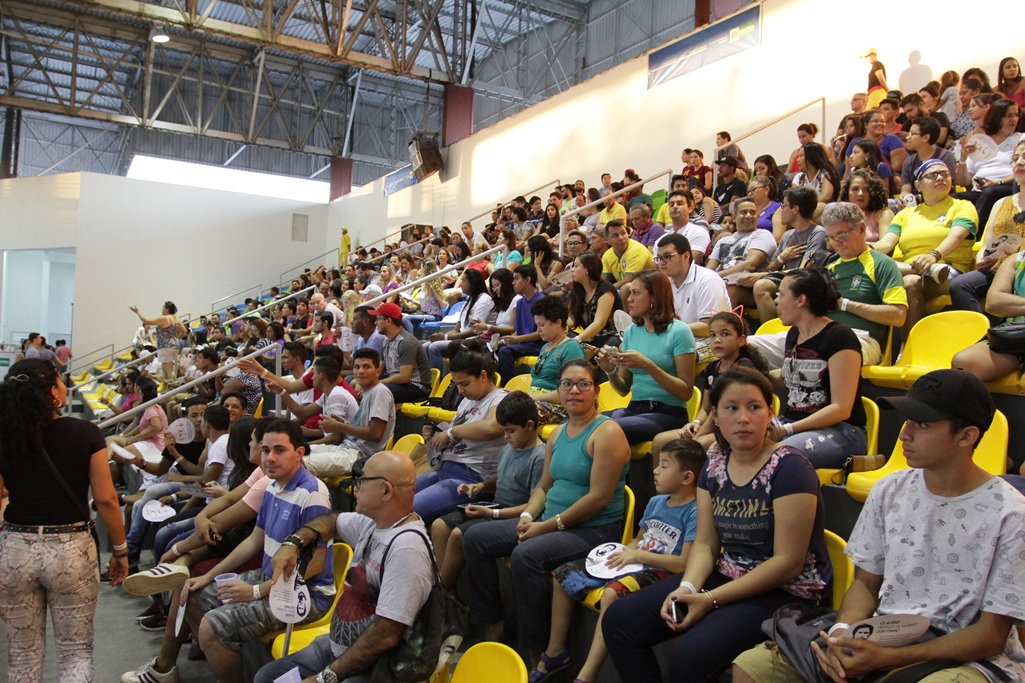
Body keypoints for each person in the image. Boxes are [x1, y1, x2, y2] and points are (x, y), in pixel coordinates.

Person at [733, 369, 1025, 683]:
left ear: (966, 436)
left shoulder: (1010, 514)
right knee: (752, 667)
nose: (904, 435)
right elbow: (865, 584)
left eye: (923, 425)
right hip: (885, 635)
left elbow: (991, 636)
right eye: (907, 420)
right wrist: (841, 636)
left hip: (967, 656)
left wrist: (889, 659)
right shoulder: (890, 489)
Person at [602, 367, 830, 682]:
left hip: (785, 593)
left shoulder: (791, 467)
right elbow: (707, 543)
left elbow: (787, 563)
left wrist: (709, 599)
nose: (743, 418)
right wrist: (687, 588)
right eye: (731, 408)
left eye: (754, 407)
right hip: (726, 575)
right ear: (716, 416)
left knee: (689, 657)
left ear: (770, 413)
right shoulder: (715, 463)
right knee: (619, 621)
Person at [124, 420, 333, 683]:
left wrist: (255, 592)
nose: (269, 457)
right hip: (271, 579)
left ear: (299, 453)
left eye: (279, 450)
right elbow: (254, 541)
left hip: (304, 595)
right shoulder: (273, 486)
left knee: (212, 628)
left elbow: (313, 566)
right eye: (266, 450)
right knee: (190, 593)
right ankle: (182, 668)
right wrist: (208, 576)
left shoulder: (313, 494)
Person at [463, 359, 631, 660]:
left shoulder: (607, 432)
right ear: (558, 390)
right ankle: (492, 624)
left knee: (526, 555)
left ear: (596, 391)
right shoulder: (557, 433)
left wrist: (546, 526)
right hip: (550, 520)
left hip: (594, 529)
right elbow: (543, 488)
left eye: (583, 384)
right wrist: (528, 516)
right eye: (567, 384)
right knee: (475, 538)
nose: (574, 390)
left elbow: (598, 499)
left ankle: (538, 653)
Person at [253, 450, 433, 683]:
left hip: (375, 668)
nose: (355, 487)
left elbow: (385, 636)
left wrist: (324, 678)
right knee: (267, 677)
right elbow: (332, 522)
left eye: (362, 480)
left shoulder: (407, 549)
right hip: (336, 647)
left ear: (386, 491)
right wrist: (293, 543)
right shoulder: (375, 522)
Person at [0, 359, 129, 683]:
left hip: (15, 548)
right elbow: (106, 500)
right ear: (52, 393)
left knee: (22, 656)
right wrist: (120, 550)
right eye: (60, 381)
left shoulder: (5, 436)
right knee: (76, 652)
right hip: (71, 550)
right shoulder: (84, 433)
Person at [537, 439, 704, 683]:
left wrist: (637, 555)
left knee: (611, 594)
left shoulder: (695, 511)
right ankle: (555, 652)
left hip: (662, 573)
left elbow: (683, 564)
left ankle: (587, 674)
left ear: (687, 477)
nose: (655, 470)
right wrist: (620, 555)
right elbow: (637, 540)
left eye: (664, 466)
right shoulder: (656, 502)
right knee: (563, 575)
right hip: (636, 561)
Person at [431, 391, 546, 591]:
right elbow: (504, 479)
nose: (506, 436)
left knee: (459, 535)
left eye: (511, 431)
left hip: (514, 515)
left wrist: (492, 513)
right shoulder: (510, 448)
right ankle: (450, 595)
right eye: (504, 431)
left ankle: (441, 595)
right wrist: (481, 486)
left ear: (529, 426)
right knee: (439, 526)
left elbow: (534, 505)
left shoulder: (540, 457)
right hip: (495, 508)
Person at [772, 269, 868, 469]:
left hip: (840, 431)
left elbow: (840, 409)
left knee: (778, 457)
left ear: (801, 300)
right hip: (793, 424)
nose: (776, 301)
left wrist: (788, 429)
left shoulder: (840, 336)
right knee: (733, 447)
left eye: (781, 294)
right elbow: (789, 376)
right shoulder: (794, 334)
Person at [876, 158, 979, 339]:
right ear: (918, 185)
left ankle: (908, 348)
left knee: (910, 282)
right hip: (912, 269)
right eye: (932, 175)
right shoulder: (905, 214)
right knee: (874, 267)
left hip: (947, 270)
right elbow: (885, 244)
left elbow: (956, 236)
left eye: (945, 174)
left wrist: (934, 255)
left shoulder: (962, 206)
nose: (940, 178)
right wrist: (861, 247)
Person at [596, 270, 696, 443]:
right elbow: (623, 389)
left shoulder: (679, 331)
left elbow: (685, 392)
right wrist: (610, 371)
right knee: (576, 424)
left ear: (655, 297)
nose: (629, 299)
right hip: (634, 408)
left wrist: (647, 365)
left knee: (605, 430)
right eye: (630, 293)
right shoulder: (631, 332)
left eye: (636, 293)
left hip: (668, 412)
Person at [415, 345, 507, 523]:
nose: (460, 390)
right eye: (457, 384)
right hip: (446, 470)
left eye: (465, 384)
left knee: (407, 510)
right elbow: (456, 436)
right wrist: (436, 434)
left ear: (482, 376)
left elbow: (492, 427)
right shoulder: (466, 401)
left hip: (471, 480)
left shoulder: (501, 398)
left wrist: (451, 431)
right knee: (394, 499)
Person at [656, 310, 770, 452]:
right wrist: (695, 423)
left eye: (725, 334)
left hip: (736, 425)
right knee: (660, 441)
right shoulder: (712, 368)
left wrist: (697, 437)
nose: (717, 340)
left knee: (700, 444)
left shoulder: (743, 368)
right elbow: (706, 408)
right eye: (712, 335)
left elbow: (721, 409)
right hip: (715, 424)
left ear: (740, 340)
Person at [950, 139, 1025, 315]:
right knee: (960, 284)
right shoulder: (1001, 203)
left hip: (1022, 268)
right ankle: (980, 329)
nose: (1020, 162)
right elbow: (987, 243)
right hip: (998, 269)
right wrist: (983, 259)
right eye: (1015, 158)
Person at [734, 187, 826, 322]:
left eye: (784, 206)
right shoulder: (788, 235)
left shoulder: (818, 233)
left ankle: (771, 332)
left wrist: (762, 275)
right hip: (786, 279)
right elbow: (771, 268)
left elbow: (803, 271)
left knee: (761, 286)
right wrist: (782, 257)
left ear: (795, 209)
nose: (781, 210)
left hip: (803, 282)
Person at [302, 349, 396, 478]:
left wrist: (340, 426)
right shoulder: (367, 393)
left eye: (367, 367)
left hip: (361, 456)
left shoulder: (380, 392)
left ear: (378, 371)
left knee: (300, 463)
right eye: (357, 367)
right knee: (294, 453)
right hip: (347, 448)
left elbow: (376, 434)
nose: (360, 371)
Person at [954, 99, 1022, 227]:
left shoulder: (1021, 139)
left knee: (990, 193)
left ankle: (975, 234)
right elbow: (964, 182)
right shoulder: (981, 143)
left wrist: (998, 182)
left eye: (1016, 115)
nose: (1013, 119)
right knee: (953, 198)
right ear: (997, 117)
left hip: (1009, 187)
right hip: (980, 190)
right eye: (1008, 116)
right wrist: (963, 158)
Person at [656, 233, 730, 340]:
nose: (662, 263)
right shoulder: (664, 282)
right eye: (659, 258)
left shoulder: (708, 280)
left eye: (667, 257)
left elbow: (709, 327)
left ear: (686, 256)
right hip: (677, 339)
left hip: (708, 342)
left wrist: (669, 329)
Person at [370, 302, 432, 404]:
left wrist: (376, 383)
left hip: (416, 387)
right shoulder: (386, 341)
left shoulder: (406, 342)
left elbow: (404, 377)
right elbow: (379, 370)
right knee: (356, 382)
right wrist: (365, 380)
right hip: (398, 383)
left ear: (389, 321)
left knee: (378, 391)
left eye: (378, 319)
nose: (375, 323)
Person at [706, 197, 777, 288]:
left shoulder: (763, 235)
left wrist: (714, 277)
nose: (748, 216)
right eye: (744, 212)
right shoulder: (722, 241)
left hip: (744, 285)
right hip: (719, 283)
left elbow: (751, 265)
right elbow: (710, 268)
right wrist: (708, 278)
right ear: (734, 217)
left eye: (752, 212)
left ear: (757, 216)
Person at [496, 266, 545, 381]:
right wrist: (502, 341)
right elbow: (518, 331)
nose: (513, 283)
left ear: (527, 280)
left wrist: (517, 339)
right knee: (492, 348)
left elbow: (542, 333)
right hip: (523, 344)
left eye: (516, 278)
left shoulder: (541, 301)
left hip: (537, 345)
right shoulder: (520, 302)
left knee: (505, 351)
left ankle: (509, 385)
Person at [567, 251, 624, 349]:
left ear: (588, 269)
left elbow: (599, 323)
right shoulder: (578, 289)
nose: (572, 270)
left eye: (576, 266)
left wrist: (577, 340)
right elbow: (572, 319)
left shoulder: (605, 289)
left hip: (609, 336)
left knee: (605, 346)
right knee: (561, 337)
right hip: (589, 337)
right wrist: (560, 330)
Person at [130, 301, 188, 382]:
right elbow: (184, 332)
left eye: (163, 307)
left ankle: (173, 386)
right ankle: (165, 387)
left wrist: (137, 312)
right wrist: (176, 339)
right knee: (164, 368)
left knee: (169, 370)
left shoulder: (164, 318)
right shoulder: (176, 319)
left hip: (165, 346)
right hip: (174, 346)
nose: (162, 309)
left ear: (167, 309)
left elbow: (146, 321)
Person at [839, 168, 894, 244]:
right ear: (847, 192)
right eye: (855, 189)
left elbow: (886, 245)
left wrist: (854, 246)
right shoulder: (840, 216)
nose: (860, 193)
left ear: (874, 192)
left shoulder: (883, 214)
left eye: (866, 189)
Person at [847, 109, 906, 178]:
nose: (880, 124)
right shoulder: (855, 142)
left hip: (887, 176)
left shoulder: (893, 140)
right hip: (859, 177)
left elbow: (897, 167)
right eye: (875, 121)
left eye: (882, 121)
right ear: (866, 125)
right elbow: (848, 169)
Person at [601, 220, 654, 294]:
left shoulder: (636, 249)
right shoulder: (607, 255)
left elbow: (629, 280)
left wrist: (604, 290)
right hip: (628, 291)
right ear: (607, 240)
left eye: (623, 233)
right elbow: (604, 281)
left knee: (626, 288)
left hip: (649, 289)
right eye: (615, 236)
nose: (621, 238)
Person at [658, 189, 710, 264]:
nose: (675, 206)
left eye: (679, 204)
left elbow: (689, 263)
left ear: (689, 209)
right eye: (671, 204)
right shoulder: (664, 235)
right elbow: (656, 264)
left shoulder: (699, 232)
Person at [793, 142, 840, 218]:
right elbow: (793, 199)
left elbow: (826, 196)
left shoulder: (825, 173)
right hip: (802, 210)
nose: (798, 160)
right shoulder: (799, 177)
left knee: (818, 208)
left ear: (811, 157)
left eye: (801, 156)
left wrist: (805, 205)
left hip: (824, 211)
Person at [747, 175, 783, 241]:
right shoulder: (748, 210)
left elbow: (778, 237)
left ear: (766, 189)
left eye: (753, 190)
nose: (749, 194)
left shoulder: (778, 207)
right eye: (748, 191)